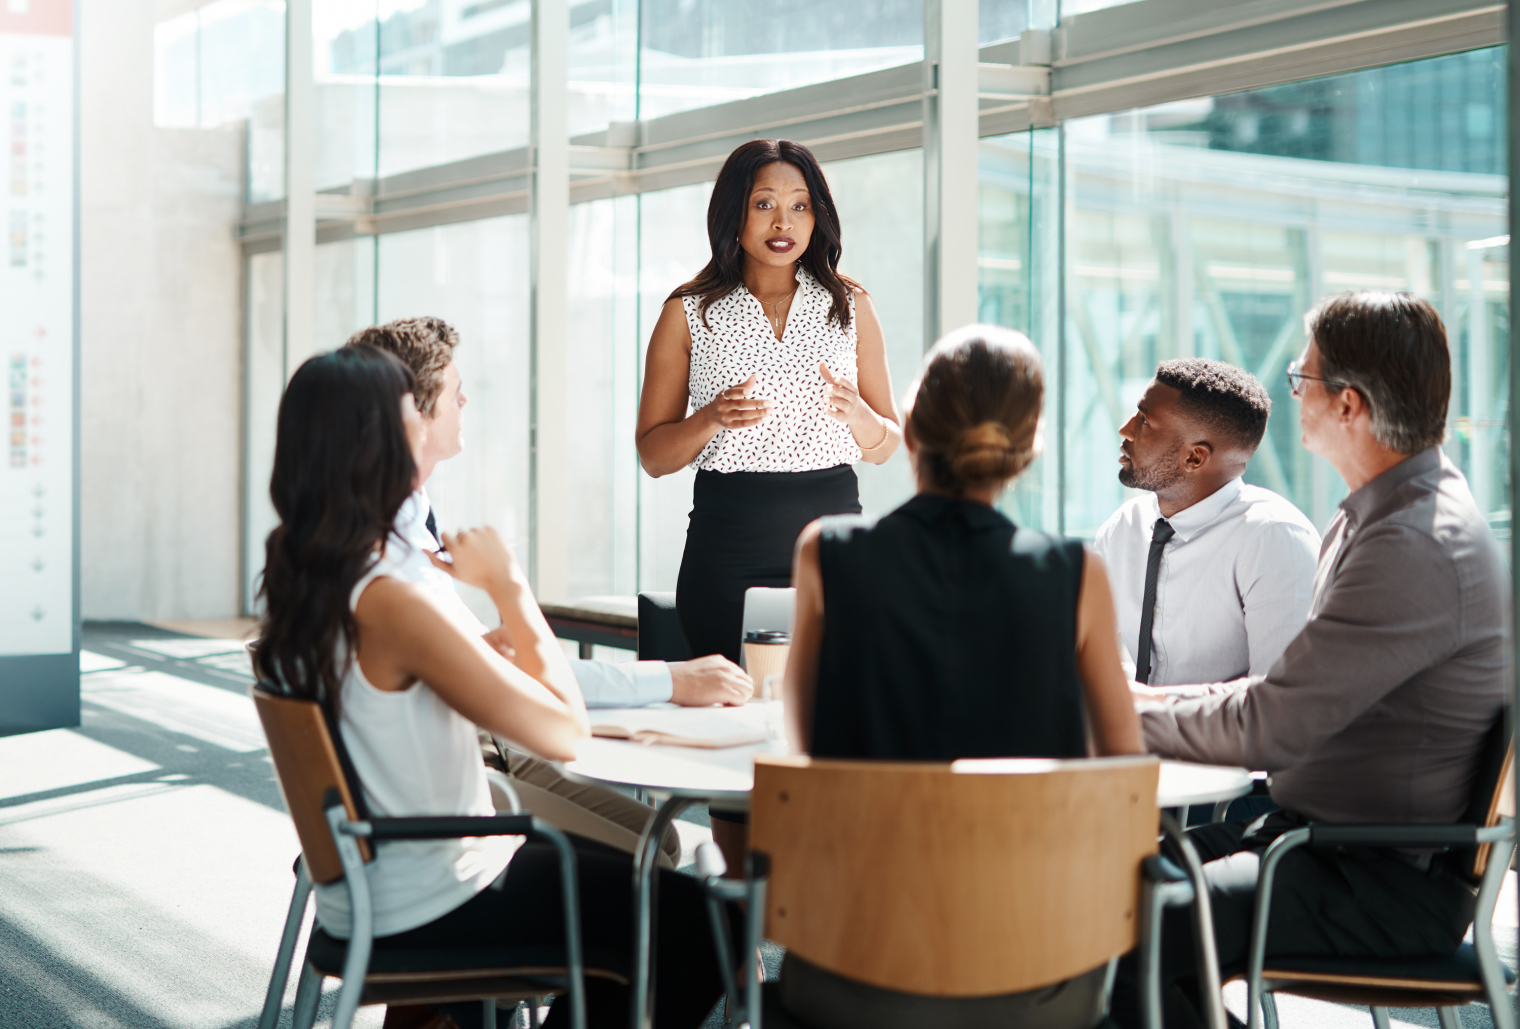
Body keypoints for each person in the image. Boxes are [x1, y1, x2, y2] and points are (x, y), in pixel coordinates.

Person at [252, 345, 733, 1029]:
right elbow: (563, 732)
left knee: (648, 910)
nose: (423, 426)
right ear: (379, 443)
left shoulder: (311, 576)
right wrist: (511, 589)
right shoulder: (389, 597)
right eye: (407, 418)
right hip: (439, 895)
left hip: (381, 882)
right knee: (700, 922)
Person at [1116, 292, 1509, 1029]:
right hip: (1319, 842)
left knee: (1124, 925)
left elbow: (1276, 724)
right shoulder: (1385, 514)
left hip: (1370, 876)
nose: (1293, 390)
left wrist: (1123, 718)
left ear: (1350, 406)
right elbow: (1288, 695)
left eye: (1305, 377)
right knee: (1109, 887)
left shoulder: (1413, 542)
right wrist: (1144, 702)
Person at [775, 325, 1145, 1028]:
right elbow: (1121, 781)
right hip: (1040, 981)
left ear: (909, 430)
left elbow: (798, 754)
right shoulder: (1075, 575)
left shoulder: (826, 552)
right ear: (1026, 450)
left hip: (849, 971)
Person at [344, 318, 752, 868]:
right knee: (653, 857)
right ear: (410, 413)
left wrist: (482, 652)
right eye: (451, 389)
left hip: (452, 759)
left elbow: (479, 667)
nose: (465, 398)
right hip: (448, 797)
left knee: (663, 839)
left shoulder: (393, 533)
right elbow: (552, 717)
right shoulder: (390, 571)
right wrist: (509, 584)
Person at [636, 138, 902, 666]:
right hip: (727, 551)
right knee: (736, 702)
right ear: (733, 212)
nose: (784, 223)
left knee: (831, 707)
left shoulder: (851, 305)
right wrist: (710, 417)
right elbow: (653, 455)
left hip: (834, 550)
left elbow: (886, 444)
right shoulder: (688, 311)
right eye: (764, 205)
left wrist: (858, 415)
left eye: (799, 206)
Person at [1093, 358, 1320, 687]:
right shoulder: (1125, 527)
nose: (1126, 429)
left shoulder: (1274, 539)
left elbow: (1282, 702)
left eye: (1145, 421)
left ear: (1194, 457)